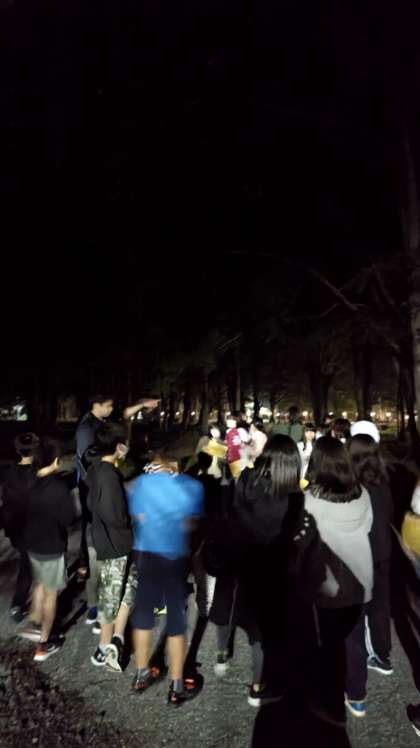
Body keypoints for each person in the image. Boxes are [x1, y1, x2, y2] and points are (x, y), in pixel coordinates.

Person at [208, 435, 317, 707]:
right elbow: (297, 535)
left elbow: (233, 513)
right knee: (262, 632)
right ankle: (258, 687)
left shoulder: (247, 479)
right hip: (274, 568)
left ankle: (222, 653)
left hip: (242, 559)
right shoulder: (295, 496)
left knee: (229, 607)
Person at [304, 437, 374, 724]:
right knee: (354, 640)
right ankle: (357, 696)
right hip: (360, 577)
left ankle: (330, 701)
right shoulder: (362, 494)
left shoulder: (310, 500)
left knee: (329, 642)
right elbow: (367, 527)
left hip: (328, 583)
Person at [127, 453, 204, 706]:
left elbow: (139, 518)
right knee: (176, 621)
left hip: (147, 555)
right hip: (174, 558)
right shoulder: (192, 486)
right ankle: (176, 686)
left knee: (143, 618)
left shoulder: (141, 484)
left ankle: (141, 674)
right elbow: (191, 523)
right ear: (175, 464)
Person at [75, 394, 157, 621]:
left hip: (100, 484)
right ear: (96, 405)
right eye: (108, 405)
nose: (112, 409)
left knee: (100, 548)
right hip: (96, 490)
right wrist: (134, 519)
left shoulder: (102, 425)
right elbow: (116, 516)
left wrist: (142, 404)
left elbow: (124, 415)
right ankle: (100, 612)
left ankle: (102, 609)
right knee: (99, 552)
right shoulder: (87, 431)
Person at [346, 431, 394, 718]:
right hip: (382, 556)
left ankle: (356, 694)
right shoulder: (384, 483)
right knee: (379, 609)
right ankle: (383, 657)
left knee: (352, 627)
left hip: (356, 562)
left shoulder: (350, 488)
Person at [86, 422, 137, 668]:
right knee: (110, 596)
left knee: (128, 587)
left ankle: (118, 637)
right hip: (115, 543)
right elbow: (115, 515)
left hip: (108, 539)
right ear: (118, 446)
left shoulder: (97, 469)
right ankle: (102, 649)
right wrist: (132, 519)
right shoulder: (109, 478)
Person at [19, 438, 75, 662]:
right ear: (55, 460)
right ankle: (43, 643)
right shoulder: (58, 488)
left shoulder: (28, 482)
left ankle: (34, 622)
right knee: (51, 593)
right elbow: (68, 518)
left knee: (40, 582)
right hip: (52, 546)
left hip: (32, 544)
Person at [2, 432, 39, 622]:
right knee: (30, 566)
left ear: (18, 450)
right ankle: (22, 604)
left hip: (16, 529)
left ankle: (19, 604)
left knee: (27, 563)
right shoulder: (38, 474)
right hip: (35, 529)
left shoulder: (9, 473)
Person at [225, 413, 251, 480]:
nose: (228, 421)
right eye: (228, 419)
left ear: (236, 420)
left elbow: (247, 442)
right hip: (231, 458)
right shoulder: (228, 431)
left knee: (237, 478)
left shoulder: (241, 431)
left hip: (240, 459)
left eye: (230, 419)